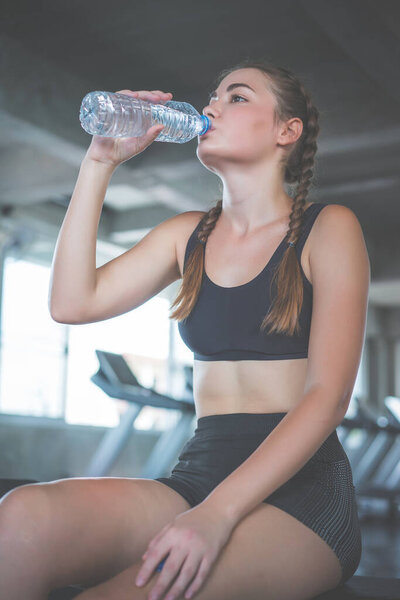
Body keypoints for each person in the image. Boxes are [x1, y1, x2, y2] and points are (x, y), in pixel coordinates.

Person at [0, 59, 370, 600]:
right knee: (22, 515)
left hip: (304, 495)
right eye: (212, 96)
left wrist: (216, 515)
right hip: (198, 473)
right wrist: (100, 162)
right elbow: (71, 304)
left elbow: (328, 397)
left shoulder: (329, 228)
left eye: (236, 97)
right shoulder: (186, 237)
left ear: (286, 131)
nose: (211, 106)